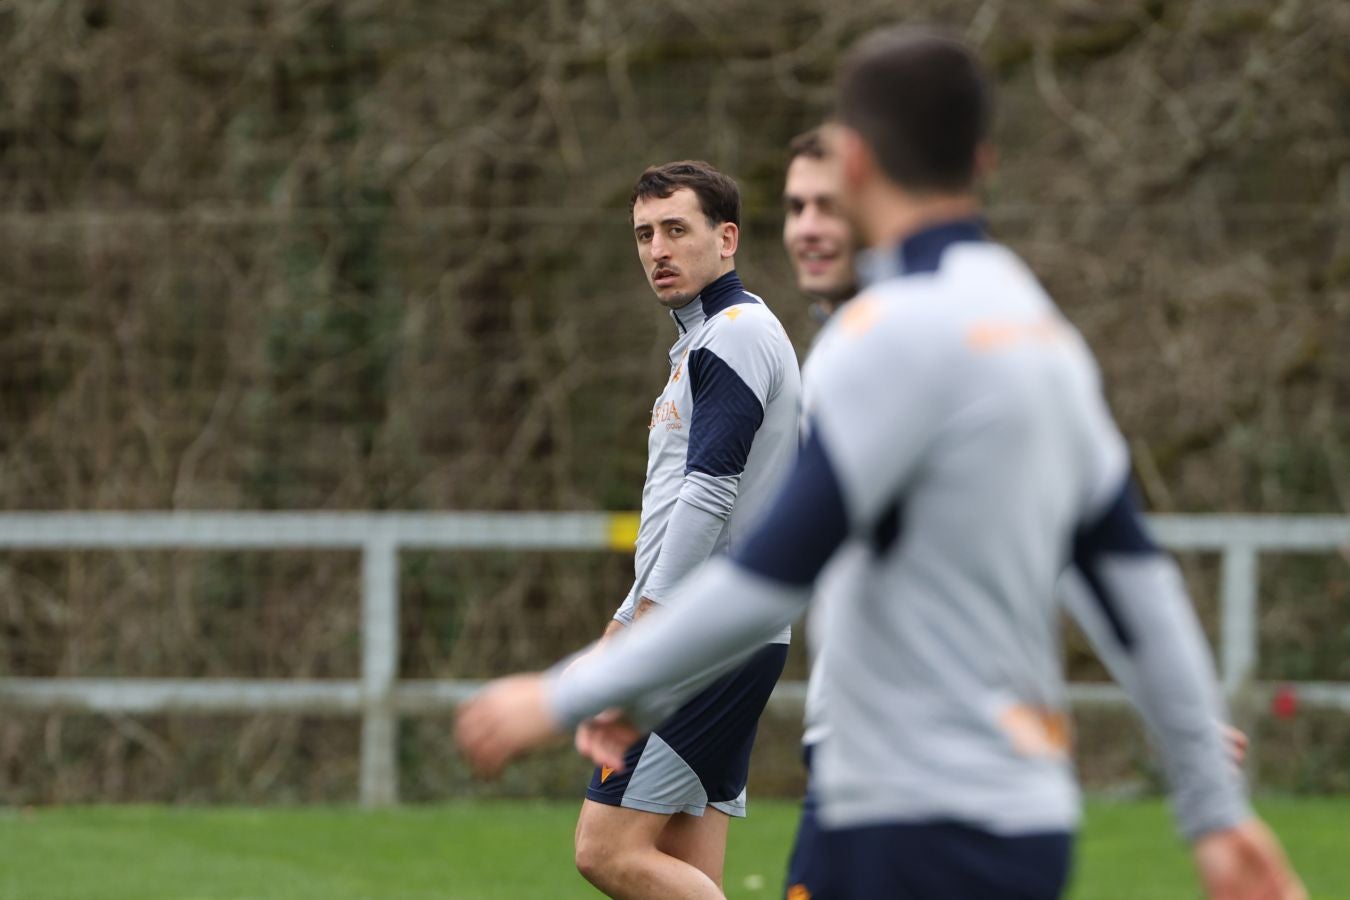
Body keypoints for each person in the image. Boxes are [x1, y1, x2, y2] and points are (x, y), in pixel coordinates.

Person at [456, 29, 1304, 900]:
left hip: (891, 813)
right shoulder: (1043, 335)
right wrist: (1211, 801)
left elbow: (770, 572)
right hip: (1029, 818)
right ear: (983, 159)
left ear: (854, 164)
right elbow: (1129, 577)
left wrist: (565, 692)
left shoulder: (879, 338)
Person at [776, 126, 1251, 900]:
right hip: (884, 763)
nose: (809, 228)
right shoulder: (856, 347)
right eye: (795, 207)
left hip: (901, 780)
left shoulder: (904, 349)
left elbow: (765, 575)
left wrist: (588, 686)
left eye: (829, 204)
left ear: (873, 197)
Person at [565, 160, 801, 899]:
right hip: (730, 630)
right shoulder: (705, 342)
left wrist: (646, 620)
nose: (657, 250)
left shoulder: (733, 334)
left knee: (605, 850)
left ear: (726, 239)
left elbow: (709, 490)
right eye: (644, 234)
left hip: (703, 635)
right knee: (685, 865)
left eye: (676, 229)